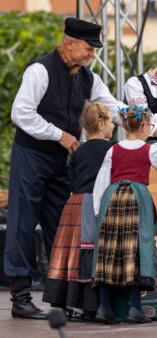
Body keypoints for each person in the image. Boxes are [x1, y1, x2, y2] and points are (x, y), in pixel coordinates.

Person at [5, 17, 157, 320]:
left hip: (60, 159)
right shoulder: (40, 70)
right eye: (89, 48)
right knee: (23, 223)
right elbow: (21, 113)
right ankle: (20, 297)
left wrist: (155, 126)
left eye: (94, 49)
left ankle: (65, 296)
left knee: (61, 226)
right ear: (69, 43)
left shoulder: (89, 78)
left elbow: (117, 108)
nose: (92, 54)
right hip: (31, 154)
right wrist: (59, 134)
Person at [92, 105, 157, 324]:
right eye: (150, 125)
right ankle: (135, 308)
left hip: (112, 197)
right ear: (142, 126)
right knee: (136, 249)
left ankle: (104, 307)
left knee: (108, 249)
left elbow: (102, 179)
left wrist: (97, 209)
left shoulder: (112, 149)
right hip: (136, 197)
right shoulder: (150, 150)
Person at [41, 103, 114, 320]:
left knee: (70, 252)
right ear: (102, 124)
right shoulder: (111, 149)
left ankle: (66, 301)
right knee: (90, 249)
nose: (113, 125)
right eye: (111, 121)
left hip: (74, 203)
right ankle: (88, 304)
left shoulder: (79, 150)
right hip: (95, 204)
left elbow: (70, 177)